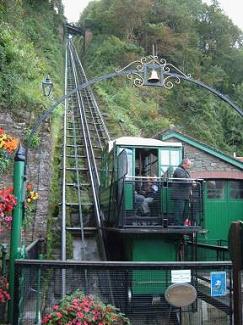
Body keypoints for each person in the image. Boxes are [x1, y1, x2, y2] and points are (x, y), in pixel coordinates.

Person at [172, 158, 193, 225]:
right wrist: (192, 182)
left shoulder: (184, 171)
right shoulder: (178, 170)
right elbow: (183, 181)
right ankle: (177, 225)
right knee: (179, 212)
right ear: (184, 164)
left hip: (185, 196)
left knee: (185, 212)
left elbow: (187, 180)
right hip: (179, 195)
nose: (189, 167)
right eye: (188, 165)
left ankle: (182, 224)